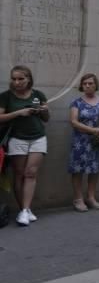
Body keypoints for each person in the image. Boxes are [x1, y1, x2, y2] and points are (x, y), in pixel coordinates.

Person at [0, 66, 49, 226]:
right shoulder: (6, 97)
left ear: (28, 79)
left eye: (21, 79)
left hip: (38, 137)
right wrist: (18, 113)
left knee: (31, 173)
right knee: (19, 174)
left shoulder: (38, 94)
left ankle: (25, 210)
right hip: (17, 138)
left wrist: (44, 110)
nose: (17, 82)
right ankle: (24, 210)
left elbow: (46, 118)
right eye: (14, 79)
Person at [68, 73, 99, 212]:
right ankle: (78, 199)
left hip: (98, 140)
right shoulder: (77, 103)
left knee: (95, 169)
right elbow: (74, 122)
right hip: (81, 141)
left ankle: (91, 197)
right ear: (81, 86)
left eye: (90, 83)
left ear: (96, 85)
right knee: (78, 170)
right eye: (85, 83)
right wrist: (92, 130)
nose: (87, 86)